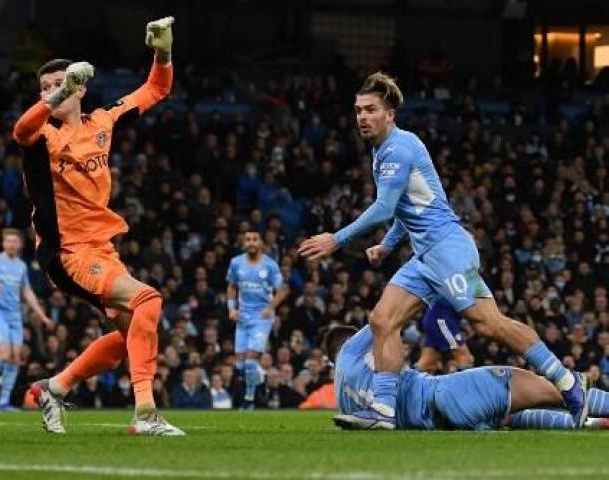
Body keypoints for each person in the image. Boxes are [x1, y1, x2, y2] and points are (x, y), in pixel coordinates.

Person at [298, 72, 587, 429]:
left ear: (390, 114)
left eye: (370, 110)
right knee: (381, 320)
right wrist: (387, 246)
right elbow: (407, 209)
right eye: (358, 110)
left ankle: (567, 382)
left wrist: (336, 239)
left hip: (447, 248)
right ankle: (384, 412)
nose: (362, 117)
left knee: (489, 324)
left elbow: (385, 207)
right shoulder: (383, 151)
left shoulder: (398, 149)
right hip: (426, 256)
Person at [14, 17, 183, 435]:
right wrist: (59, 95)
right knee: (148, 300)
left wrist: (162, 53)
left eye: (63, 82)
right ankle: (145, 414)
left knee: (130, 339)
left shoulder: (102, 123)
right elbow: (21, 129)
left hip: (102, 248)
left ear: (83, 89)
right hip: (67, 252)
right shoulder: (44, 139)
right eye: (47, 86)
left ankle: (54, 387)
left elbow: (156, 89)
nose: (54, 90)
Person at [327, 325, 609, 431]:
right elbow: (385, 322)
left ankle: (598, 424)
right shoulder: (354, 346)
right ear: (349, 341)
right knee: (560, 390)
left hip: (441, 424)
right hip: (449, 393)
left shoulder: (345, 402)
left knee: (509, 416)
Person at [0, 228, 52, 410]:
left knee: (15, 358)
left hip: (15, 315)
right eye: (8, 241)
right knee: (4, 355)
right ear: (3, 243)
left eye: (15, 241)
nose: (12, 244)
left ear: (20, 244)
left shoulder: (21, 266)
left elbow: (27, 292)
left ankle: (3, 402)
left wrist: (42, 316)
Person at [226, 230, 288, 409]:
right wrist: (231, 309)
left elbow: (282, 289)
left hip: (261, 317)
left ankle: (249, 399)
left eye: (254, 239)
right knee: (239, 364)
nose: (251, 242)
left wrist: (271, 307)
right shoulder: (236, 263)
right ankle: (258, 383)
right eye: (248, 240)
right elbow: (231, 286)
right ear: (243, 243)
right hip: (242, 316)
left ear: (260, 242)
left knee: (251, 359)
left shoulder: (269, 265)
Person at [416, 297, 473, 373]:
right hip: (442, 320)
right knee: (464, 357)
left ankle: (403, 383)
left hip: (437, 318)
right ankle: (466, 384)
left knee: (427, 362)